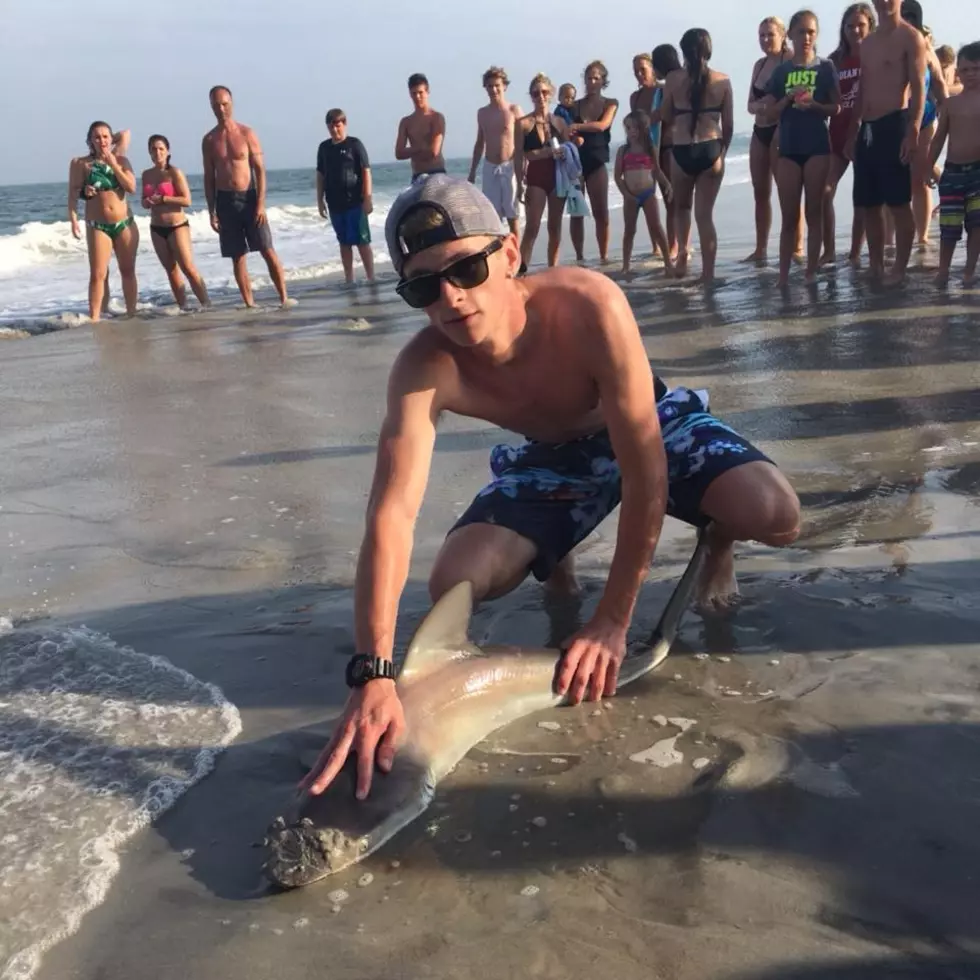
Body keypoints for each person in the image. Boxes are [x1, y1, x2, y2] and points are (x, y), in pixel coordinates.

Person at [299, 175, 801, 803]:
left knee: (775, 515)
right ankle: (553, 555)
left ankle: (717, 539)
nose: (451, 298)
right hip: (553, 459)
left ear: (509, 254)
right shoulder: (425, 368)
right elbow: (392, 517)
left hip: (650, 427)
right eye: (424, 286)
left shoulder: (588, 304)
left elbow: (644, 466)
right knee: (453, 580)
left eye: (467, 268)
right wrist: (372, 672)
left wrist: (613, 619)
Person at [844, 0, 928, 285]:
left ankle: (900, 268)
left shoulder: (911, 38)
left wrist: (913, 129)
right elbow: (862, 89)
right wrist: (853, 130)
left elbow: (919, 87)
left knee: (898, 202)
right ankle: (876, 265)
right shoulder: (867, 43)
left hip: (895, 123)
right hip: (867, 128)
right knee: (868, 203)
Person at [763, 10, 841, 286]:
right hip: (788, 147)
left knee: (814, 211)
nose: (806, 37)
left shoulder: (826, 67)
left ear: (816, 34)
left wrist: (816, 106)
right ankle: (783, 277)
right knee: (789, 217)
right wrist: (786, 100)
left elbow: (837, 106)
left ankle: (810, 271)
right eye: (800, 32)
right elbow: (769, 113)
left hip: (818, 146)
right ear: (790, 35)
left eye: (811, 32)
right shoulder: (783, 71)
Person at [202, 85, 289, 308]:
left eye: (224, 104)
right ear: (211, 106)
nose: (221, 109)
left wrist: (260, 204)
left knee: (267, 249)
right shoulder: (210, 140)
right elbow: (209, 178)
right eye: (216, 105)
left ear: (231, 103)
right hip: (225, 201)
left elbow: (259, 170)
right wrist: (211, 211)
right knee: (237, 256)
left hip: (250, 199)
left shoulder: (247, 133)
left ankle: (284, 299)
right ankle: (250, 305)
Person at [661, 28, 734, 284]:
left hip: (682, 149)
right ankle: (708, 274)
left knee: (682, 208)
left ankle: (682, 255)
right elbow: (729, 125)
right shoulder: (723, 80)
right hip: (711, 148)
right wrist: (720, 153)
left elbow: (667, 115)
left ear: (684, 51)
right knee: (705, 216)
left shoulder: (673, 80)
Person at [68, 120, 139, 321]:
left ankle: (131, 313)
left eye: (106, 136)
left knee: (127, 270)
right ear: (89, 140)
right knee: (98, 274)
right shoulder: (80, 163)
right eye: (96, 137)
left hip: (124, 223)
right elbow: (73, 193)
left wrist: (112, 159)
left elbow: (131, 187)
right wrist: (74, 217)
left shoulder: (121, 160)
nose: (102, 140)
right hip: (98, 225)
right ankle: (95, 318)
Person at [827, 3, 876, 266]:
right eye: (849, 26)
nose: (855, 30)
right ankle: (829, 251)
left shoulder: (877, 54)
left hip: (866, 132)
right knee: (825, 191)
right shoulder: (834, 60)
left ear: (870, 25)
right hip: (836, 132)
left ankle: (856, 253)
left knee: (862, 196)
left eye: (860, 25)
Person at [745, 17, 798, 263]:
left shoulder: (790, 60)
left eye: (770, 35)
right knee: (760, 192)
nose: (765, 40)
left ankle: (796, 247)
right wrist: (761, 107)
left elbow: (797, 95)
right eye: (761, 35)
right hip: (759, 131)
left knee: (786, 191)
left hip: (782, 128)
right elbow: (749, 104)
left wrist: (772, 105)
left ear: (783, 35)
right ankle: (761, 248)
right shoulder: (759, 64)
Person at [929, 41, 980, 286]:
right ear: (958, 71)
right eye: (966, 69)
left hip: (978, 172)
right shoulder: (951, 103)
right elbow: (939, 139)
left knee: (977, 224)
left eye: (977, 69)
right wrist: (928, 165)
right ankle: (943, 270)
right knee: (949, 226)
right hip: (952, 172)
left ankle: (969, 270)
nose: (971, 74)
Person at [141, 134, 211, 310]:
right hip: (157, 227)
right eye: (154, 149)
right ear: (149, 152)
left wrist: (164, 198)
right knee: (171, 271)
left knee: (187, 267)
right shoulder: (146, 174)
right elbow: (143, 200)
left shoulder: (174, 172)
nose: (157, 152)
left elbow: (187, 201)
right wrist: (147, 202)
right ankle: (183, 307)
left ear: (167, 151)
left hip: (177, 225)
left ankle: (206, 304)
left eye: (161, 149)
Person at [901, 2, 948, 249]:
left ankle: (922, 238)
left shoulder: (925, 49)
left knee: (920, 179)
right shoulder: (885, 46)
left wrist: (949, 114)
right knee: (895, 183)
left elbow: (939, 84)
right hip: (893, 121)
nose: (907, 20)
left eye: (911, 17)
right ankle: (891, 242)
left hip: (926, 121)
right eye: (903, 16)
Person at [566, 61, 619, 264]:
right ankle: (579, 257)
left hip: (597, 161)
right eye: (589, 78)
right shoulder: (575, 106)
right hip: (577, 164)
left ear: (603, 80)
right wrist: (572, 135)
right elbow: (566, 131)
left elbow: (602, 125)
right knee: (577, 212)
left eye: (597, 78)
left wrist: (578, 126)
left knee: (601, 212)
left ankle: (604, 256)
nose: (592, 81)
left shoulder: (610, 103)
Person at [514, 73, 569, 269]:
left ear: (551, 94)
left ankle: (552, 269)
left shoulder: (560, 123)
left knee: (555, 228)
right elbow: (520, 155)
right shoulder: (522, 124)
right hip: (536, 178)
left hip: (557, 177)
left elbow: (569, 152)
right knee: (532, 228)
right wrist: (520, 185)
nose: (541, 97)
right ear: (531, 96)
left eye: (545, 92)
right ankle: (521, 270)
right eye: (536, 93)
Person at [316, 109, 375, 285]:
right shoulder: (324, 148)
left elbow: (366, 171)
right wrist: (319, 200)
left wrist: (368, 198)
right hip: (335, 203)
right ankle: (349, 278)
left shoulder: (354, 144)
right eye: (331, 126)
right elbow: (320, 174)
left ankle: (371, 277)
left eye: (338, 125)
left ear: (344, 124)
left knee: (362, 240)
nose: (335, 130)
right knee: (344, 242)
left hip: (355, 201)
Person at [613, 110, 673, 276]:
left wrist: (667, 184)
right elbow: (618, 176)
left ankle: (668, 261)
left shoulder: (650, 149)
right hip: (630, 196)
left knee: (656, 227)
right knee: (629, 231)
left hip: (648, 194)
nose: (631, 131)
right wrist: (626, 194)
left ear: (643, 129)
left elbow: (657, 171)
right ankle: (626, 265)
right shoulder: (623, 151)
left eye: (635, 128)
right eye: (628, 128)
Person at [467, 66, 523, 238]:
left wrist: (525, 168)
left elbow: (525, 140)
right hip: (490, 167)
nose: (493, 89)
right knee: (493, 217)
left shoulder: (514, 110)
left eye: (497, 85)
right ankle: (498, 257)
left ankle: (518, 258)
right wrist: (472, 172)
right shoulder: (482, 113)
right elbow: (479, 143)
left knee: (513, 215)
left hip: (510, 166)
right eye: (489, 86)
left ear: (504, 86)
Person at [630, 54, 665, 260]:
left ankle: (679, 244)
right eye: (636, 71)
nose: (639, 74)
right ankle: (656, 246)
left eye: (643, 69)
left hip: (664, 146)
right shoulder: (634, 97)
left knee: (672, 198)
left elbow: (664, 114)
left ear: (652, 68)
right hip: (642, 150)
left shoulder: (663, 90)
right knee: (648, 198)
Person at [652, 44, 683, 260]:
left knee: (675, 201)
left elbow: (666, 114)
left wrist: (650, 117)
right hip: (667, 146)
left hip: (673, 145)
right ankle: (678, 245)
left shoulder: (669, 84)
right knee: (674, 201)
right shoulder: (685, 79)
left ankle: (677, 246)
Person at [395, 73, 447, 183]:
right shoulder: (406, 122)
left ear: (427, 92)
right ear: (410, 94)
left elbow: (434, 152)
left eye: (420, 93)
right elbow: (399, 153)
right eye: (414, 93)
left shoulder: (436, 118)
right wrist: (420, 148)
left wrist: (411, 151)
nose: (417, 97)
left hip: (436, 174)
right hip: (417, 175)